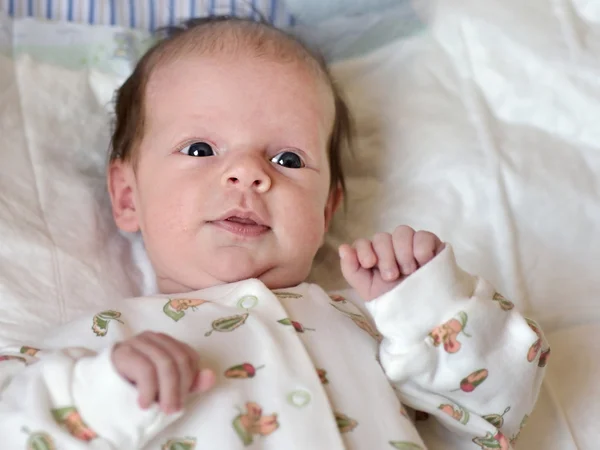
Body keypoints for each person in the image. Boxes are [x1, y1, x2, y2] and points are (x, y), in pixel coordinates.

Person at [0, 17, 549, 450]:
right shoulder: (111, 341)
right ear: (127, 197)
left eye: (288, 158)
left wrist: (433, 308)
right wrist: (103, 395)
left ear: (328, 208)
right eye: (200, 150)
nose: (248, 173)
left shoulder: (375, 328)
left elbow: (495, 420)